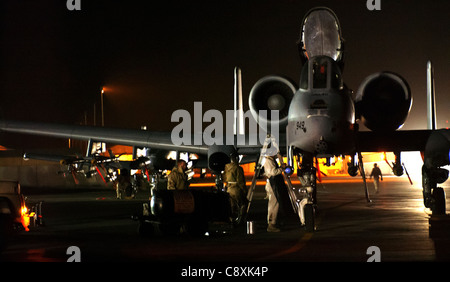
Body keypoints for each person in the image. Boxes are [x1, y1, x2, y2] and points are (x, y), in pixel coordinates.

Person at [263, 154, 286, 232]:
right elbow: (273, 172)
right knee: (274, 204)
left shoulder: (270, 160)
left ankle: (273, 222)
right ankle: (271, 224)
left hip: (274, 183)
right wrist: (281, 169)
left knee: (275, 203)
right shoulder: (268, 160)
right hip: (272, 184)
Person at [223, 153, 247, 223]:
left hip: (229, 188)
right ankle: (240, 220)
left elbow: (224, 178)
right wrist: (244, 190)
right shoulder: (238, 168)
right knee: (242, 204)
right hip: (236, 189)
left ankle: (231, 220)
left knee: (232, 206)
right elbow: (240, 181)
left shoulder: (226, 168)